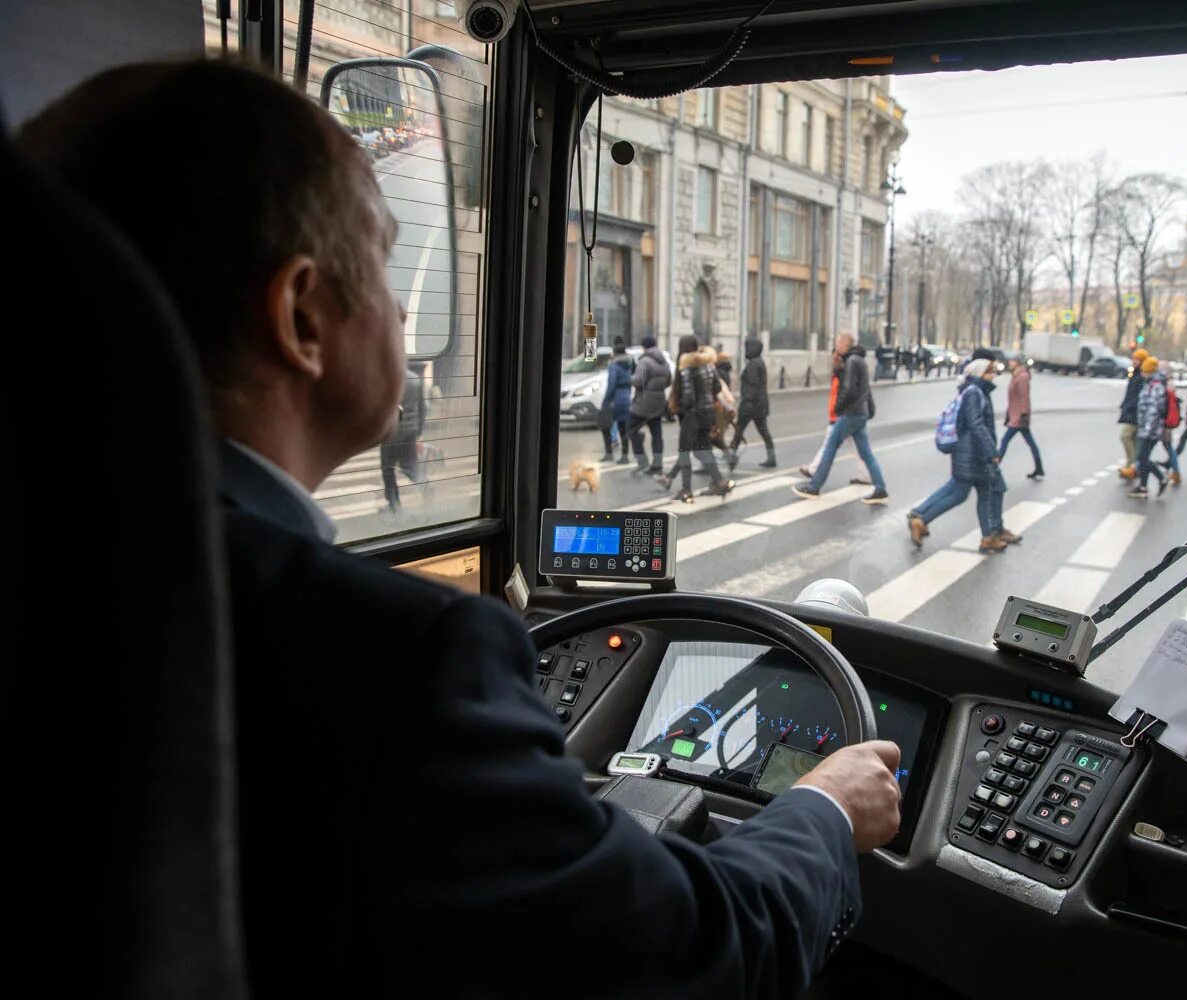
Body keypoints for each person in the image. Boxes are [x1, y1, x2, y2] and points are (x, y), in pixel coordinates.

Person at [23, 60, 902, 997]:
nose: (406, 309)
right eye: (387, 260)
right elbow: (701, 956)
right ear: (301, 315)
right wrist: (819, 807)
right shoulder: (398, 661)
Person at [907, 359, 1022, 553]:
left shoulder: (975, 391)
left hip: (972, 452)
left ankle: (987, 537)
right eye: (988, 372)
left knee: (974, 491)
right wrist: (991, 451)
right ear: (979, 374)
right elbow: (976, 425)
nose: (992, 375)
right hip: (973, 454)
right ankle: (921, 518)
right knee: (965, 493)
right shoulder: (974, 393)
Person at [794, 334, 890, 504]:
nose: (836, 345)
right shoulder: (858, 359)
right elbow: (862, 388)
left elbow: (848, 388)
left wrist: (838, 407)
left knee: (831, 447)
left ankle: (814, 486)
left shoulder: (852, 361)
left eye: (838, 342)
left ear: (845, 344)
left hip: (851, 413)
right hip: (860, 413)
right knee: (866, 453)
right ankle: (880, 488)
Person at [661, 335, 734, 502]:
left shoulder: (686, 367)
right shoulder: (709, 364)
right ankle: (719, 481)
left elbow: (688, 397)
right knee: (704, 449)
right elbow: (716, 387)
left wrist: (680, 408)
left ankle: (686, 490)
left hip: (692, 415)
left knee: (684, 451)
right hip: (708, 413)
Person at [799, 337, 872, 486]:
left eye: (835, 353)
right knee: (859, 449)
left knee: (829, 446)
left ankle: (815, 478)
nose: (833, 357)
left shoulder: (847, 369)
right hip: (848, 414)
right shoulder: (842, 370)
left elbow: (847, 393)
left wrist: (837, 410)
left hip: (845, 414)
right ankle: (869, 477)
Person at [378, 362, 427, 513]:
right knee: (408, 465)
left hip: (392, 431)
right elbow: (423, 407)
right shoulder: (415, 379)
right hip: (410, 430)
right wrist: (418, 431)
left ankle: (394, 504)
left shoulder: (390, 378)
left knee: (388, 468)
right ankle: (426, 488)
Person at [627, 334, 672, 475]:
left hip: (643, 402)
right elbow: (668, 381)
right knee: (656, 433)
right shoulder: (664, 361)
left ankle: (642, 460)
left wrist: (630, 378)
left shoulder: (645, 361)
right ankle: (657, 465)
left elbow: (638, 381)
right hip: (658, 401)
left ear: (644, 347)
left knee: (631, 428)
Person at [1128, 357, 1170, 499]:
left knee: (1142, 457)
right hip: (1147, 428)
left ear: (1150, 371)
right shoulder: (1151, 383)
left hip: (1150, 430)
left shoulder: (1156, 385)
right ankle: (1143, 486)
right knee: (1143, 458)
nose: (1143, 373)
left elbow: (1154, 410)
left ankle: (1161, 478)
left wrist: (1147, 430)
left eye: (1145, 371)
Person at [997, 355, 1045, 481]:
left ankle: (994, 468)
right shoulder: (1016, 375)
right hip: (1015, 414)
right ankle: (1039, 468)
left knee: (1005, 441)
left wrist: (1023, 414)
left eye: (1012, 361)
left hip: (1019, 416)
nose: (1009, 363)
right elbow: (1013, 399)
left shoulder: (1022, 377)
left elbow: (1024, 397)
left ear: (1017, 363)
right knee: (1030, 443)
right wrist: (1009, 413)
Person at [730, 337, 776, 468]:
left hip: (751, 405)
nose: (745, 350)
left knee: (738, 432)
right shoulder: (759, 362)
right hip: (760, 404)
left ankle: (731, 459)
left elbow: (751, 385)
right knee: (764, 432)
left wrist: (747, 402)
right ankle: (771, 457)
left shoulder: (753, 365)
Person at [1117, 347, 1151, 480]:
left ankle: (1132, 465)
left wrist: (1132, 406)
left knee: (1125, 436)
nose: (1134, 361)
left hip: (1136, 412)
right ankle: (1133, 467)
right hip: (1130, 410)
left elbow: (1140, 395)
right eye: (1134, 359)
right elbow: (1129, 391)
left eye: (1137, 359)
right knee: (1134, 440)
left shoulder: (1143, 376)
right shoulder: (1134, 373)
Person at [601, 336, 635, 463]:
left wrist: (605, 401)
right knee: (623, 428)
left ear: (614, 352)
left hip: (616, 399)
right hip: (626, 397)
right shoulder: (629, 363)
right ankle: (625, 456)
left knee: (605, 426)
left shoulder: (614, 365)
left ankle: (609, 454)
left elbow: (611, 385)